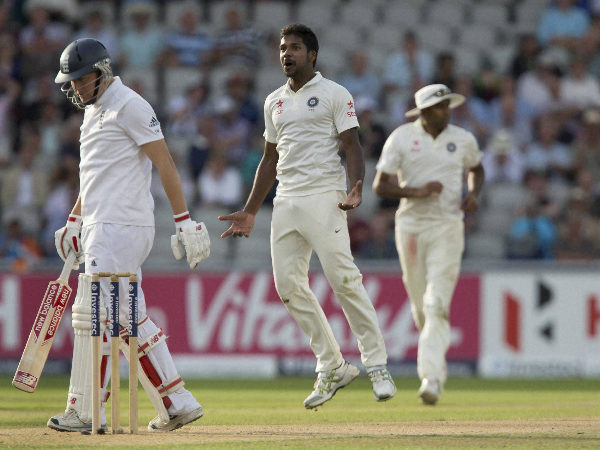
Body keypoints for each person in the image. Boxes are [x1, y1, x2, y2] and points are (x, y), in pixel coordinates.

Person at [219, 24, 396, 409]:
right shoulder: (274, 102)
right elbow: (269, 159)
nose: (287, 54)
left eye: (295, 48)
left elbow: (352, 144)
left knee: (343, 278)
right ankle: (332, 365)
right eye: (283, 48)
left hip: (324, 196)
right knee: (287, 287)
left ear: (312, 55)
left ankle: (377, 365)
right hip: (286, 201)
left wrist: (356, 185)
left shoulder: (335, 93)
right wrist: (250, 210)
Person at [48, 38, 209, 433]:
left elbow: (165, 162)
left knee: (107, 317)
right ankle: (174, 402)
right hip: (102, 226)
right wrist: (74, 219)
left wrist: (184, 220)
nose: (75, 88)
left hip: (120, 227)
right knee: (115, 318)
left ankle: (91, 412)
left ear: (102, 71)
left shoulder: (130, 105)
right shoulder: (93, 111)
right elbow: (96, 175)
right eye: (71, 82)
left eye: (81, 79)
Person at [372, 84, 484, 405]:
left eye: (447, 106)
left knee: (436, 303)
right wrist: (417, 192)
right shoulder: (401, 137)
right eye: (439, 107)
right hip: (410, 226)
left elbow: (477, 169)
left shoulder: (462, 138)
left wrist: (473, 193)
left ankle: (430, 377)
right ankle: (436, 364)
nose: (446, 112)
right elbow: (380, 186)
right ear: (422, 111)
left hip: (448, 226)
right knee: (422, 307)